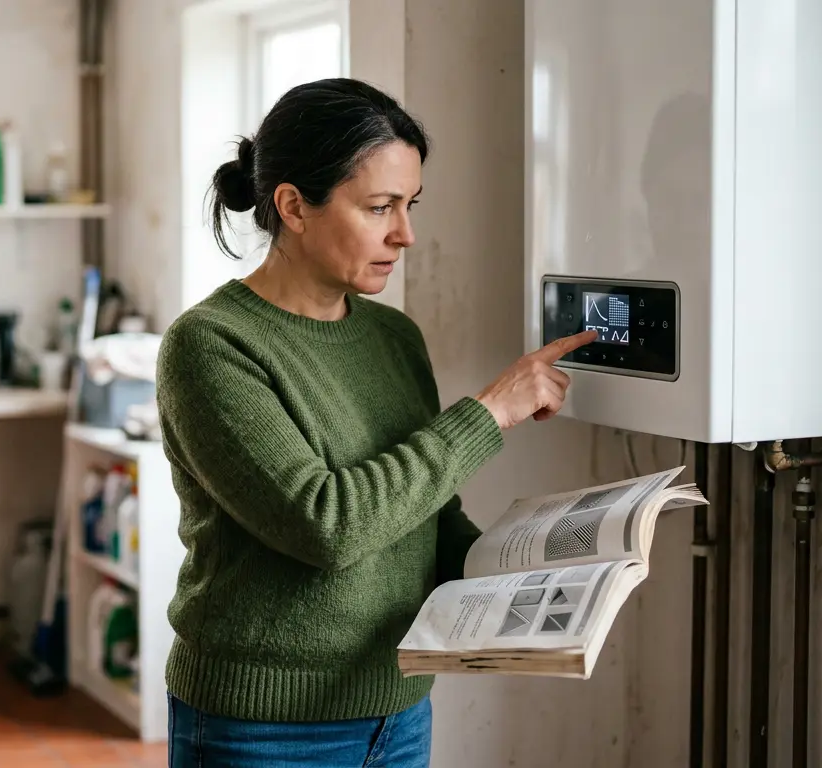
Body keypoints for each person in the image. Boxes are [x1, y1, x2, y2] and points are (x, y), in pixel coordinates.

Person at [155, 77, 596, 766]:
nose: (406, 233)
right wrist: (488, 412)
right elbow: (327, 525)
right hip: (264, 730)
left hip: (398, 710)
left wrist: (539, 575)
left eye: (410, 204)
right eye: (379, 207)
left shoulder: (394, 337)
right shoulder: (211, 346)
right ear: (293, 206)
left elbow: (424, 518)